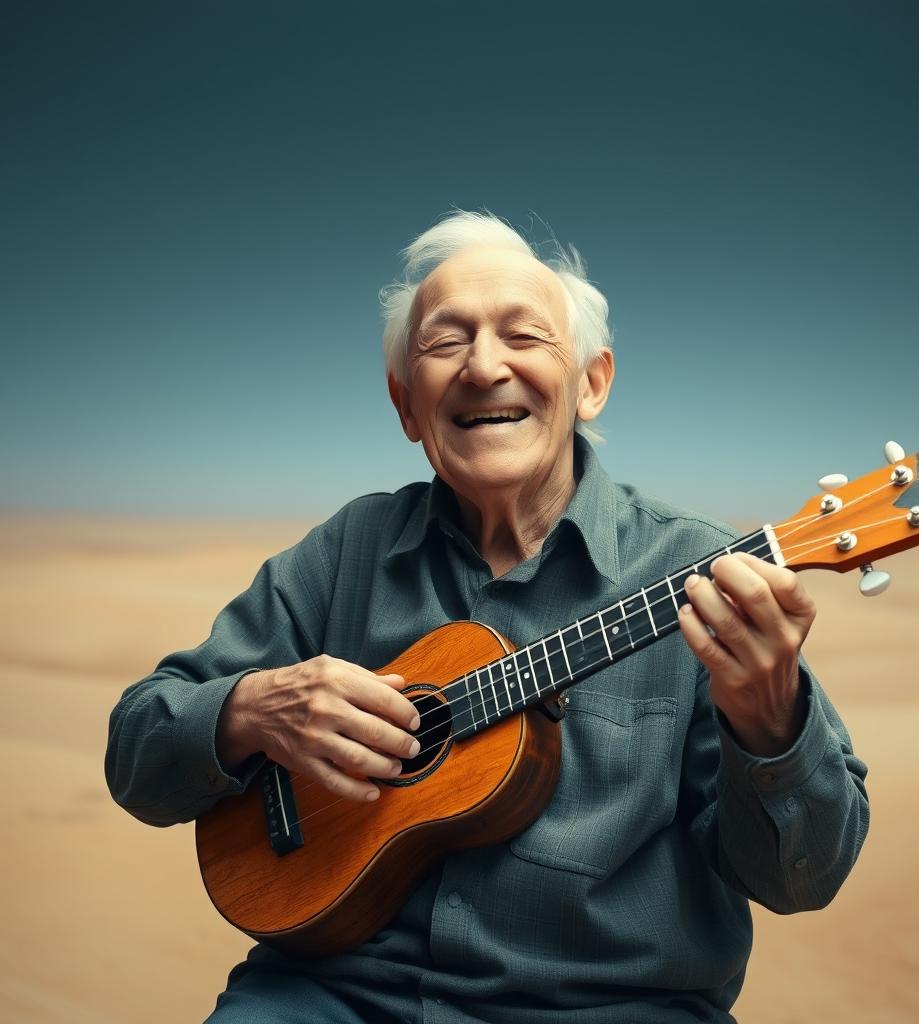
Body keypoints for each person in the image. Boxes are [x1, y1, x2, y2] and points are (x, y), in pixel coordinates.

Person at [105, 210, 869, 1023]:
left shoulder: (704, 577)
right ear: (406, 404)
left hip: (609, 1007)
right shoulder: (345, 553)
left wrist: (770, 720)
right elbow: (137, 751)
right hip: (329, 993)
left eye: (524, 336)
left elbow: (803, 880)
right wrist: (250, 710)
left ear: (591, 381)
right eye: (444, 343)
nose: (483, 366)